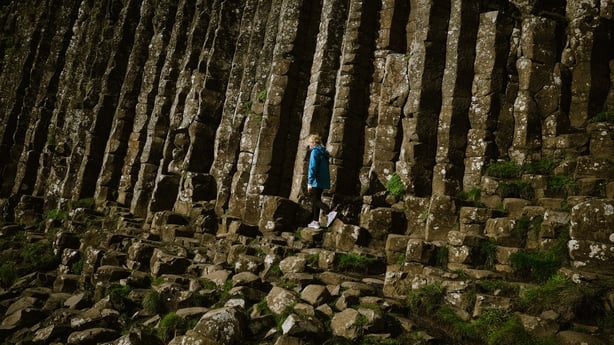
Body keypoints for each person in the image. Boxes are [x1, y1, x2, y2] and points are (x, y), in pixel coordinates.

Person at [306, 134, 337, 228]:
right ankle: (315, 222)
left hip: (315, 180)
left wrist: (310, 182)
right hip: (322, 181)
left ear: (314, 142)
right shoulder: (323, 152)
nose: (309, 145)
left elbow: (313, 167)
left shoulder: (315, 152)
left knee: (313, 200)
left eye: (310, 143)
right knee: (317, 200)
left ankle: (329, 212)